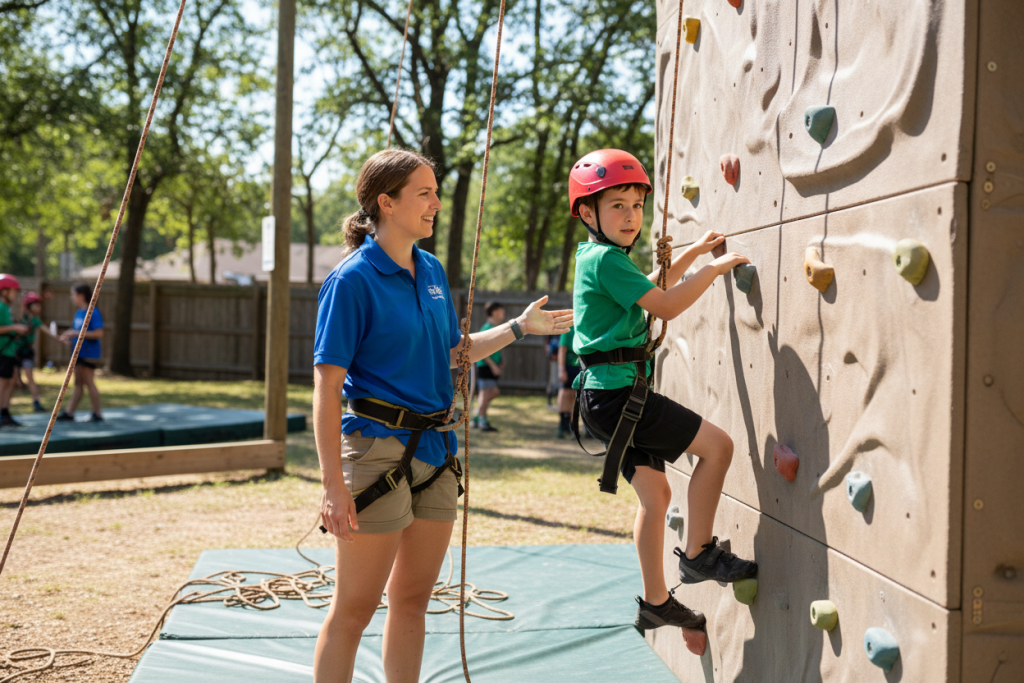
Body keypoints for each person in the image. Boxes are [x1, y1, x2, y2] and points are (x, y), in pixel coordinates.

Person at [312, 148, 572, 683]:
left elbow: (453, 351)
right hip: (376, 452)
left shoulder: (429, 269)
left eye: (435, 191)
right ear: (386, 202)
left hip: (435, 453)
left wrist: (520, 329)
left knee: (412, 599)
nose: (436, 203)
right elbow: (326, 388)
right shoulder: (351, 282)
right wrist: (332, 485)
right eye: (424, 193)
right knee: (355, 610)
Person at [568, 149, 757, 633]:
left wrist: (692, 253)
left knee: (655, 497)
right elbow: (667, 306)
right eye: (617, 206)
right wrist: (712, 271)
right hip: (616, 396)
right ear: (587, 213)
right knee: (718, 448)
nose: (631, 216)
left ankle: (656, 602)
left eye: (636, 205)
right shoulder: (607, 259)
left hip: (605, 398)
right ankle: (698, 553)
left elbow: (649, 288)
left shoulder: (599, 258)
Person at [56, 283, 104, 422]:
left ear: (81, 296)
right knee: (78, 383)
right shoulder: (79, 313)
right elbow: (78, 333)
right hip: (78, 353)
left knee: (89, 382)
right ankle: (69, 412)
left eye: (74, 295)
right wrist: (69, 337)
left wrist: (75, 333)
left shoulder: (93, 312)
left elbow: (98, 333)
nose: (72, 298)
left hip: (89, 353)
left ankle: (97, 413)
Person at [471, 301, 505, 432]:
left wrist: (501, 360)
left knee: (488, 394)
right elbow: (482, 351)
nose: (503, 314)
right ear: (495, 312)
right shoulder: (487, 328)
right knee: (486, 395)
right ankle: (481, 421)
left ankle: (476, 417)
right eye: (501, 311)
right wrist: (493, 366)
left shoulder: (495, 327)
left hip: (492, 367)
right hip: (485, 366)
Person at [0, 275, 28, 427]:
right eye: (13, 291)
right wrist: (14, 328)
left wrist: (16, 328)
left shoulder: (6, 308)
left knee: (10, 382)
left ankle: (4, 412)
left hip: (9, 351)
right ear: (4, 291)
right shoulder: (0, 306)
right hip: (2, 351)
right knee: (3, 383)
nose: (16, 294)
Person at [15, 291, 49, 413]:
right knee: (10, 381)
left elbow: (47, 330)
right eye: (36, 305)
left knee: (30, 379)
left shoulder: (35, 320)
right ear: (28, 306)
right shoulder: (20, 318)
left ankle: (36, 403)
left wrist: (60, 337)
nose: (39, 308)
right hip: (15, 352)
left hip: (27, 352)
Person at [556, 325, 580, 439]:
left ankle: (577, 426)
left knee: (578, 396)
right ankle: (563, 425)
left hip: (583, 365)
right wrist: (561, 370)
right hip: (569, 366)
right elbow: (562, 349)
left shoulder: (587, 325)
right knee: (565, 393)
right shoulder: (569, 327)